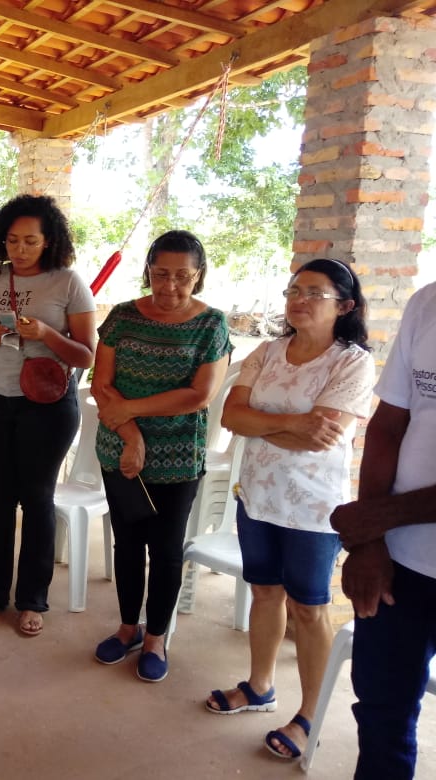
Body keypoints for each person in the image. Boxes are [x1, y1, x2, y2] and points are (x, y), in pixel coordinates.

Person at [204, 258, 375, 760]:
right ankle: (260, 687)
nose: (299, 300)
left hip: (314, 509)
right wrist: (295, 423)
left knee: (309, 607)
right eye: (294, 290)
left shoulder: (351, 362)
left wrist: (264, 422)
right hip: (258, 496)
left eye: (315, 293)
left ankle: (310, 714)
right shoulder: (268, 351)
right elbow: (231, 416)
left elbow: (325, 435)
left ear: (345, 306)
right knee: (264, 592)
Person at [91, 229, 231, 682]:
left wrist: (131, 409)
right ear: (148, 270)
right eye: (161, 274)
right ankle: (127, 627)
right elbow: (101, 385)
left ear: (199, 275)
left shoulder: (211, 325)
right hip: (120, 451)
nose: (170, 286)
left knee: (167, 550)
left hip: (178, 458)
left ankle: (156, 638)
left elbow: (199, 395)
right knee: (128, 544)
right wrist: (132, 436)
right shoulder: (122, 317)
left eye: (182, 277)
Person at [0, 194, 95, 636]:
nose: (20, 249)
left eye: (30, 241)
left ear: (49, 240)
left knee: (36, 498)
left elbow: (86, 355)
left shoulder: (69, 282)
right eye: (12, 240)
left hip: (47, 405)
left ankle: (32, 600)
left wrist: (48, 334)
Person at [330, 280, 436, 779]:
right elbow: (389, 424)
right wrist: (370, 542)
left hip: (391, 528)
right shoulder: (428, 302)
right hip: (400, 563)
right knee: (381, 716)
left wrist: (378, 518)